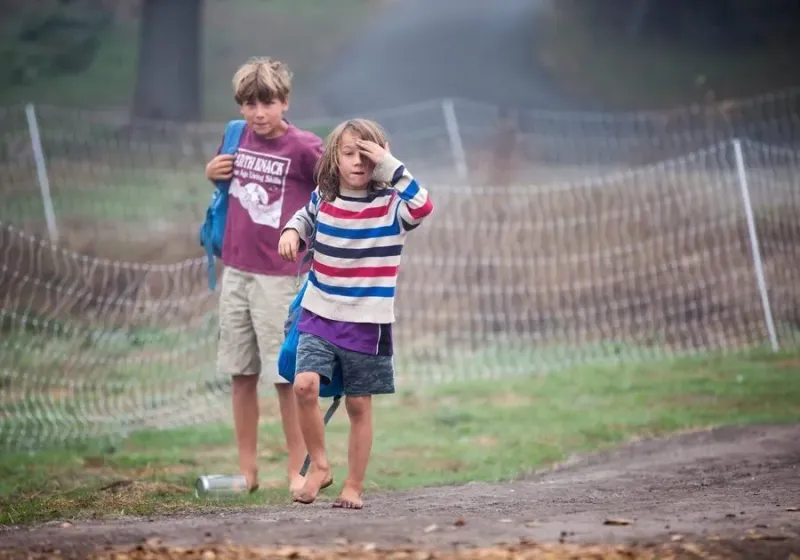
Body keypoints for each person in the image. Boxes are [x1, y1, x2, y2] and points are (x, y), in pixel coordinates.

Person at [277, 118, 434, 509]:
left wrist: (389, 163)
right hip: (319, 312)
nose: (358, 162)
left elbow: (424, 204)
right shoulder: (323, 196)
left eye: (367, 155)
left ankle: (354, 486)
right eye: (349, 153)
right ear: (334, 158)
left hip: (368, 321)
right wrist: (291, 232)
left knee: (359, 405)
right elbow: (304, 216)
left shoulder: (393, 206)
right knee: (303, 386)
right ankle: (319, 466)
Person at [204, 56, 323, 494]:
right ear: (240, 106)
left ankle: (298, 468)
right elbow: (223, 185)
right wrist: (210, 171)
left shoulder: (305, 147)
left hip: (280, 276)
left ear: (284, 102)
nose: (258, 112)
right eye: (250, 103)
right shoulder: (235, 137)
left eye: (267, 102)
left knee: (285, 377)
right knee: (240, 374)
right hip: (235, 270)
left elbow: (329, 191)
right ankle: (248, 473)